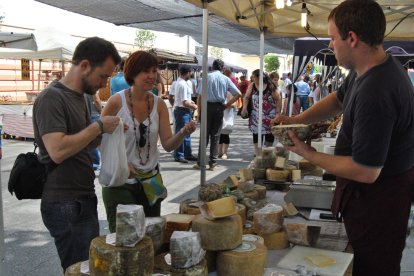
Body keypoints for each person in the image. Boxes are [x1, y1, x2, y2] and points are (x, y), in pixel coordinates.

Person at [274, 1, 414, 275]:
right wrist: (297, 119)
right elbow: (337, 101)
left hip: (379, 203)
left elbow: (366, 171)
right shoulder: (368, 69)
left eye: (332, 37)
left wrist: (307, 153)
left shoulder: (378, 89)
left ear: (352, 38)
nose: (330, 43)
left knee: (374, 267)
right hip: (373, 199)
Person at [32, 37, 122, 272]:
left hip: (81, 198)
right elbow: (58, 151)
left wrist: (107, 133)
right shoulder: (51, 98)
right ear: (84, 65)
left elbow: (82, 144)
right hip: (64, 202)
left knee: (89, 267)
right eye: (103, 76)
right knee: (80, 269)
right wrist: (99, 126)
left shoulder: (81, 97)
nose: (104, 83)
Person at [101, 51, 196, 233]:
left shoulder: (159, 104)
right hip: (121, 183)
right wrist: (120, 162)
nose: (152, 76)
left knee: (152, 236)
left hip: (151, 182)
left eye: (154, 70)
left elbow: (168, 145)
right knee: (126, 238)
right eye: (146, 71)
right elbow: (98, 137)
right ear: (133, 73)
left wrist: (183, 132)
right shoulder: (116, 102)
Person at [195, 59, 241, 170]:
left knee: (204, 135)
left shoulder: (205, 78)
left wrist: (199, 112)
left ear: (212, 67)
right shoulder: (226, 79)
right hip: (219, 107)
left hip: (207, 106)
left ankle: (201, 162)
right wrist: (226, 105)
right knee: (215, 136)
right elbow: (238, 94)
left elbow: (200, 97)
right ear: (222, 68)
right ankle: (213, 163)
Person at [241, 69, 281, 156]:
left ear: (259, 77)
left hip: (270, 116)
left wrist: (278, 113)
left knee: (269, 134)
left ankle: (267, 154)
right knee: (256, 134)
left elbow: (278, 99)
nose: (252, 78)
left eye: (254, 77)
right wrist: (244, 108)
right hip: (255, 115)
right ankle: (258, 155)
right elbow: (247, 97)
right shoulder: (252, 85)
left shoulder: (270, 86)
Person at [173, 65, 198, 163]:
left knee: (186, 133)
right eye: (190, 72)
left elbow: (187, 100)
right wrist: (195, 107)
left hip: (184, 110)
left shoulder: (183, 82)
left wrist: (192, 103)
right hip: (182, 110)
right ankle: (179, 155)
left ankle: (187, 154)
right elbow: (184, 102)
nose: (191, 74)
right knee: (181, 133)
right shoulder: (182, 84)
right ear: (187, 72)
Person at [85, 93, 103, 170]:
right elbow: (96, 100)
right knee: (95, 140)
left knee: (90, 139)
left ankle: (94, 163)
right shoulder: (91, 86)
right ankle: (96, 163)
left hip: (87, 115)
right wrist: (102, 111)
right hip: (94, 114)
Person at [218, 92, 236, 160]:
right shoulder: (217, 91)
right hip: (218, 114)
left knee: (225, 134)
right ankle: (219, 152)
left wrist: (224, 106)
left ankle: (225, 152)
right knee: (219, 134)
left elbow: (234, 105)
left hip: (226, 116)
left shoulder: (228, 93)